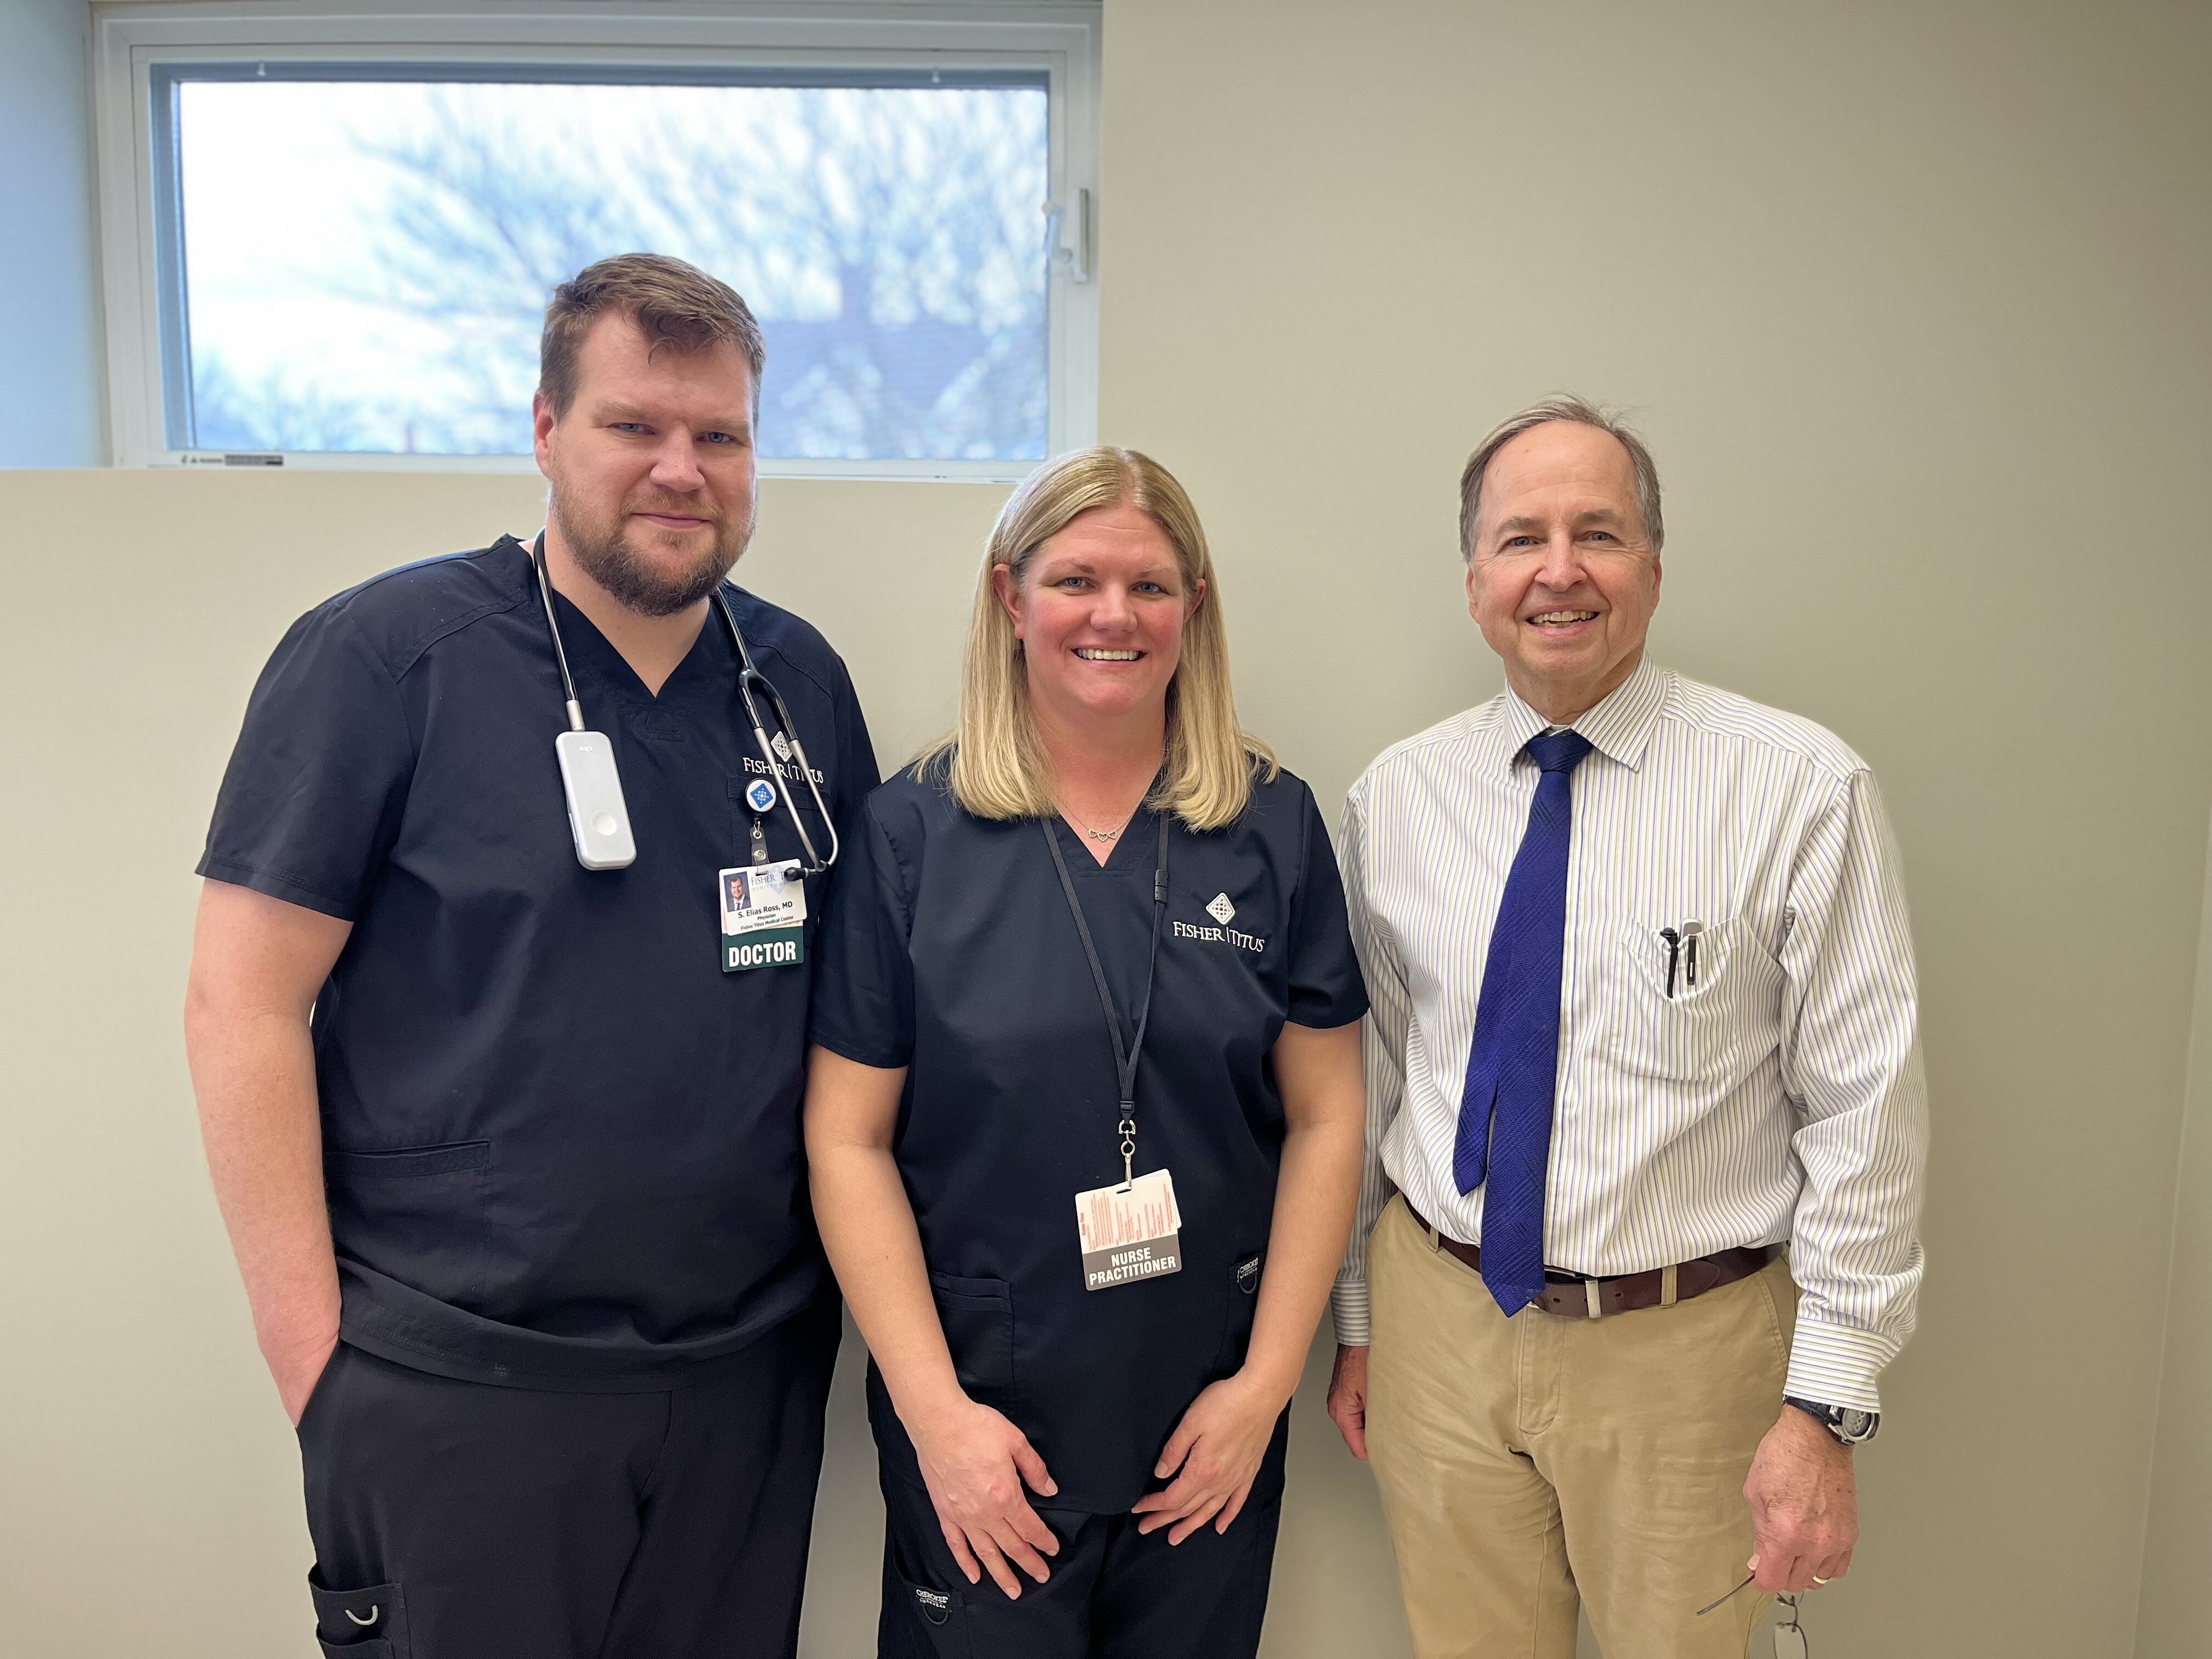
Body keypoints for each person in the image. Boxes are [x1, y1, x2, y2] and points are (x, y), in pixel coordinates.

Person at [182, 253, 877, 1659]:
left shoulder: (793, 683)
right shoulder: (387, 660)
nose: (681, 468)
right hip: (460, 1386)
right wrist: (319, 1369)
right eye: (635, 425)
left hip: (742, 1378)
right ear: (548, 430)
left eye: (720, 435)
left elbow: (852, 1017)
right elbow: (237, 1003)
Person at [1325, 397, 1928, 1658]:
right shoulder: (1398, 796)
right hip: (1442, 1330)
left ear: (1653, 565)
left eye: (1597, 533)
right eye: (1520, 538)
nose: (1559, 570)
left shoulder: (1798, 788)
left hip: (1687, 1357)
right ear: (1474, 579)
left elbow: (1867, 1114)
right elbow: (1369, 1086)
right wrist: (1364, 1327)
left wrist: (1827, 1405)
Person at [805, 448, 1368, 1659]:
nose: (1115, 617)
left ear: (1194, 608)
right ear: (1011, 600)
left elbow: (1328, 1119)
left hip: (1203, 1417)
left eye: (1152, 587)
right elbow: (844, 1140)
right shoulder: (911, 834)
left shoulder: (1271, 825)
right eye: (1076, 581)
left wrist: (1264, 1390)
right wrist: (934, 1416)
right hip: (982, 1423)